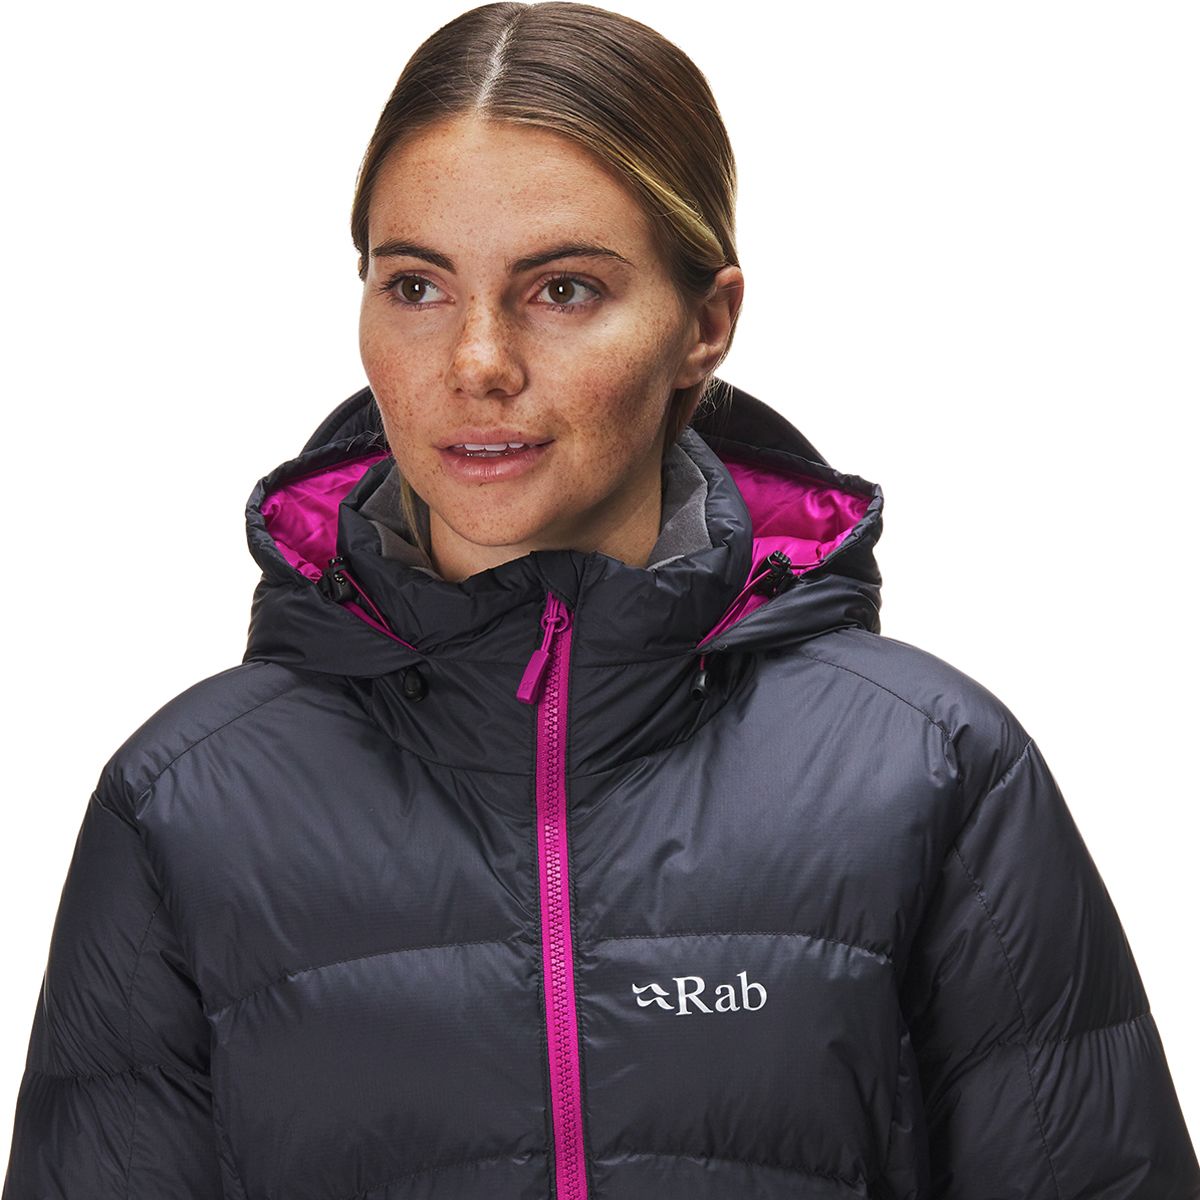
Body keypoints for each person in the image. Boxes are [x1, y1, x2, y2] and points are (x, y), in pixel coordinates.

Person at [3, 2, 1197, 1197]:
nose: (477, 362)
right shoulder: (187, 804)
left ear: (705, 324)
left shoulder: (930, 772)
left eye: (563, 289)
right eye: (415, 285)